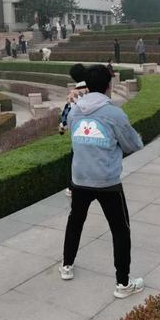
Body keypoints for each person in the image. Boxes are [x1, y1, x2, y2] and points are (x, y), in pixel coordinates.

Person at [61, 64, 145, 299]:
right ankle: (123, 283)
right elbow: (132, 145)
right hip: (107, 181)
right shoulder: (113, 114)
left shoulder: (75, 111)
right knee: (120, 230)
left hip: (80, 178)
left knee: (75, 222)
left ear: (87, 85)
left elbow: (75, 139)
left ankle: (66, 266)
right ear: (109, 85)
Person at [58, 64, 89, 198]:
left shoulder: (73, 94)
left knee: (75, 160)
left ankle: (71, 187)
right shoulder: (93, 89)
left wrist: (62, 128)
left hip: (78, 132)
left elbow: (66, 115)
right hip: (95, 128)